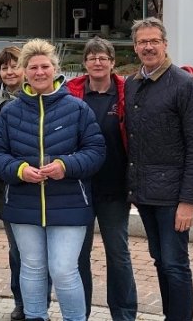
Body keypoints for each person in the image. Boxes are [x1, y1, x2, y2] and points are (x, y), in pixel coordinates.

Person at [0, 38, 105, 321]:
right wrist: (19, 170)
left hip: (70, 204)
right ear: (25, 71)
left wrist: (66, 165)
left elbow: (96, 151)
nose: (39, 72)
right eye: (33, 67)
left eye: (45, 66)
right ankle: (36, 316)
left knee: (64, 269)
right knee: (31, 267)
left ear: (56, 69)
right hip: (23, 203)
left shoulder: (77, 109)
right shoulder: (10, 111)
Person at [124, 18, 193, 321]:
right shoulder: (133, 84)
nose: (148, 47)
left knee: (175, 264)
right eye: (142, 42)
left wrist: (188, 202)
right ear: (135, 47)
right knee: (160, 261)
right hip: (145, 194)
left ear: (165, 44)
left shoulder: (185, 85)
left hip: (173, 197)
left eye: (154, 41)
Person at [66, 37, 138, 320]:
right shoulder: (71, 94)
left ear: (112, 62)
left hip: (114, 189)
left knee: (118, 255)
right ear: (85, 63)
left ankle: (123, 313)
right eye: (92, 57)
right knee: (78, 257)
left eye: (103, 57)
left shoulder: (126, 94)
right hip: (78, 190)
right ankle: (79, 313)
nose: (98, 62)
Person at [0, 45, 38, 321]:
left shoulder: (39, 100)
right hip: (7, 188)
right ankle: (21, 302)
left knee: (38, 254)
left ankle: (37, 304)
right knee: (17, 252)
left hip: (40, 186)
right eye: (4, 67)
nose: (9, 71)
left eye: (14, 65)